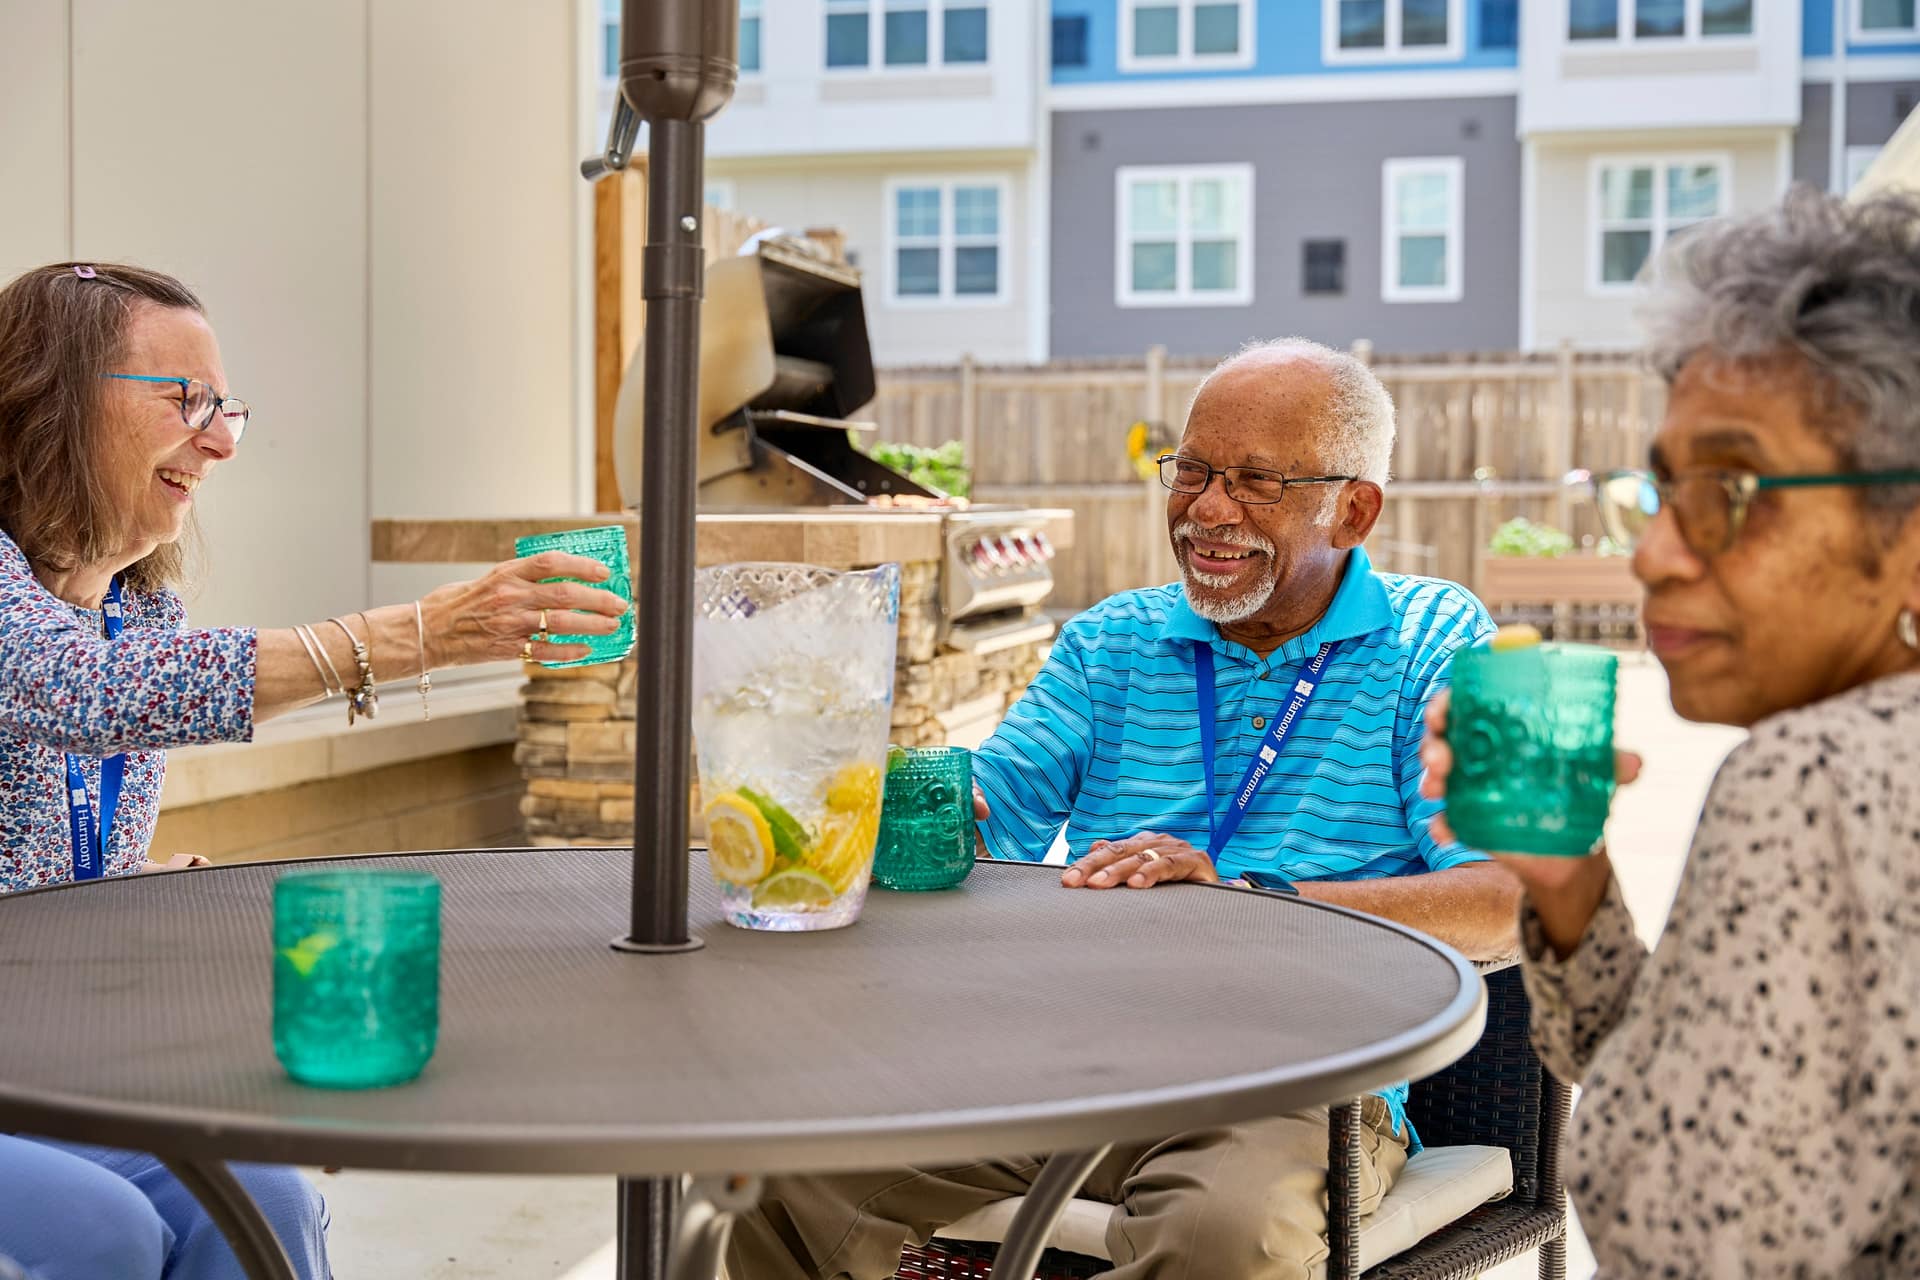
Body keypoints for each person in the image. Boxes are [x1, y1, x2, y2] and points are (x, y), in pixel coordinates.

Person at [726, 338, 1521, 1280]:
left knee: (1221, 1237)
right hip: (1075, 1055)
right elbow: (982, 817)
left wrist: (1247, 895)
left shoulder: (1443, 636)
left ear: (1353, 508)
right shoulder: (1111, 640)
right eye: (1190, 471)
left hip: (1297, 1080)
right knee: (776, 1164)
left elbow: (1508, 897)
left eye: (1256, 481)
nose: (1207, 510)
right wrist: (856, 790)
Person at [0, 261, 629, 1279]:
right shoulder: (55, 624)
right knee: (100, 1230)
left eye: (226, 409)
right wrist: (416, 634)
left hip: (40, 1055)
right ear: (51, 397)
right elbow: (77, 689)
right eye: (185, 400)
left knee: (268, 1193)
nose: (218, 440)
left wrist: (118, 896)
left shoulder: (140, 609)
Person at [1421, 187, 1920, 1275]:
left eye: (1730, 488)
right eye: (1662, 487)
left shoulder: (1813, 775)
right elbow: (1698, 1080)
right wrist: (1568, 883)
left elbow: (1695, 1228)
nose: (1653, 551)